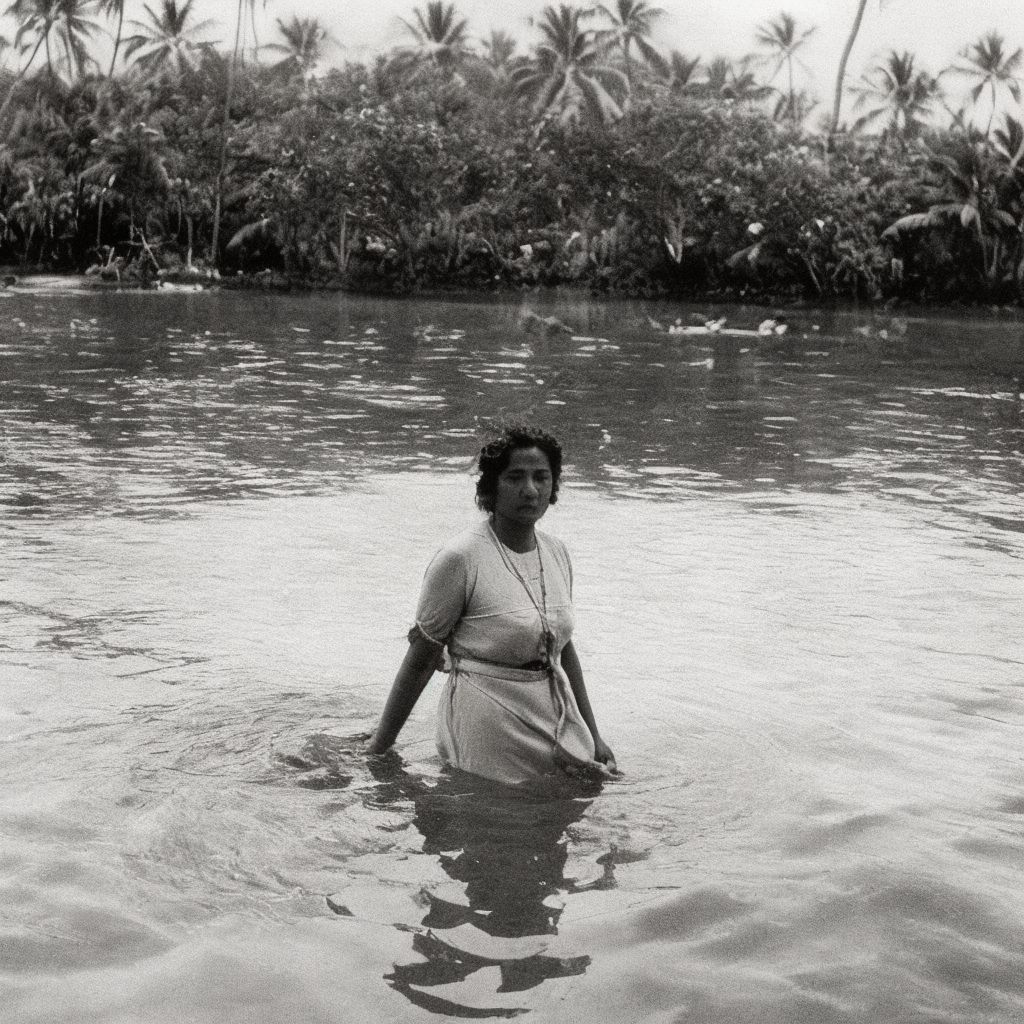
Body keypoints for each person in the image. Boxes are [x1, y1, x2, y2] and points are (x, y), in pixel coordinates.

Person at [367, 425, 617, 784]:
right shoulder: (461, 558)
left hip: (551, 713)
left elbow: (561, 647)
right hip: (486, 719)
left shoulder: (556, 552)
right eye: (515, 477)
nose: (530, 490)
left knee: (556, 827)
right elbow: (421, 658)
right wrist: (381, 745)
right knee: (489, 823)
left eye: (541, 478)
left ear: (554, 486)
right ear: (491, 488)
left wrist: (593, 735)